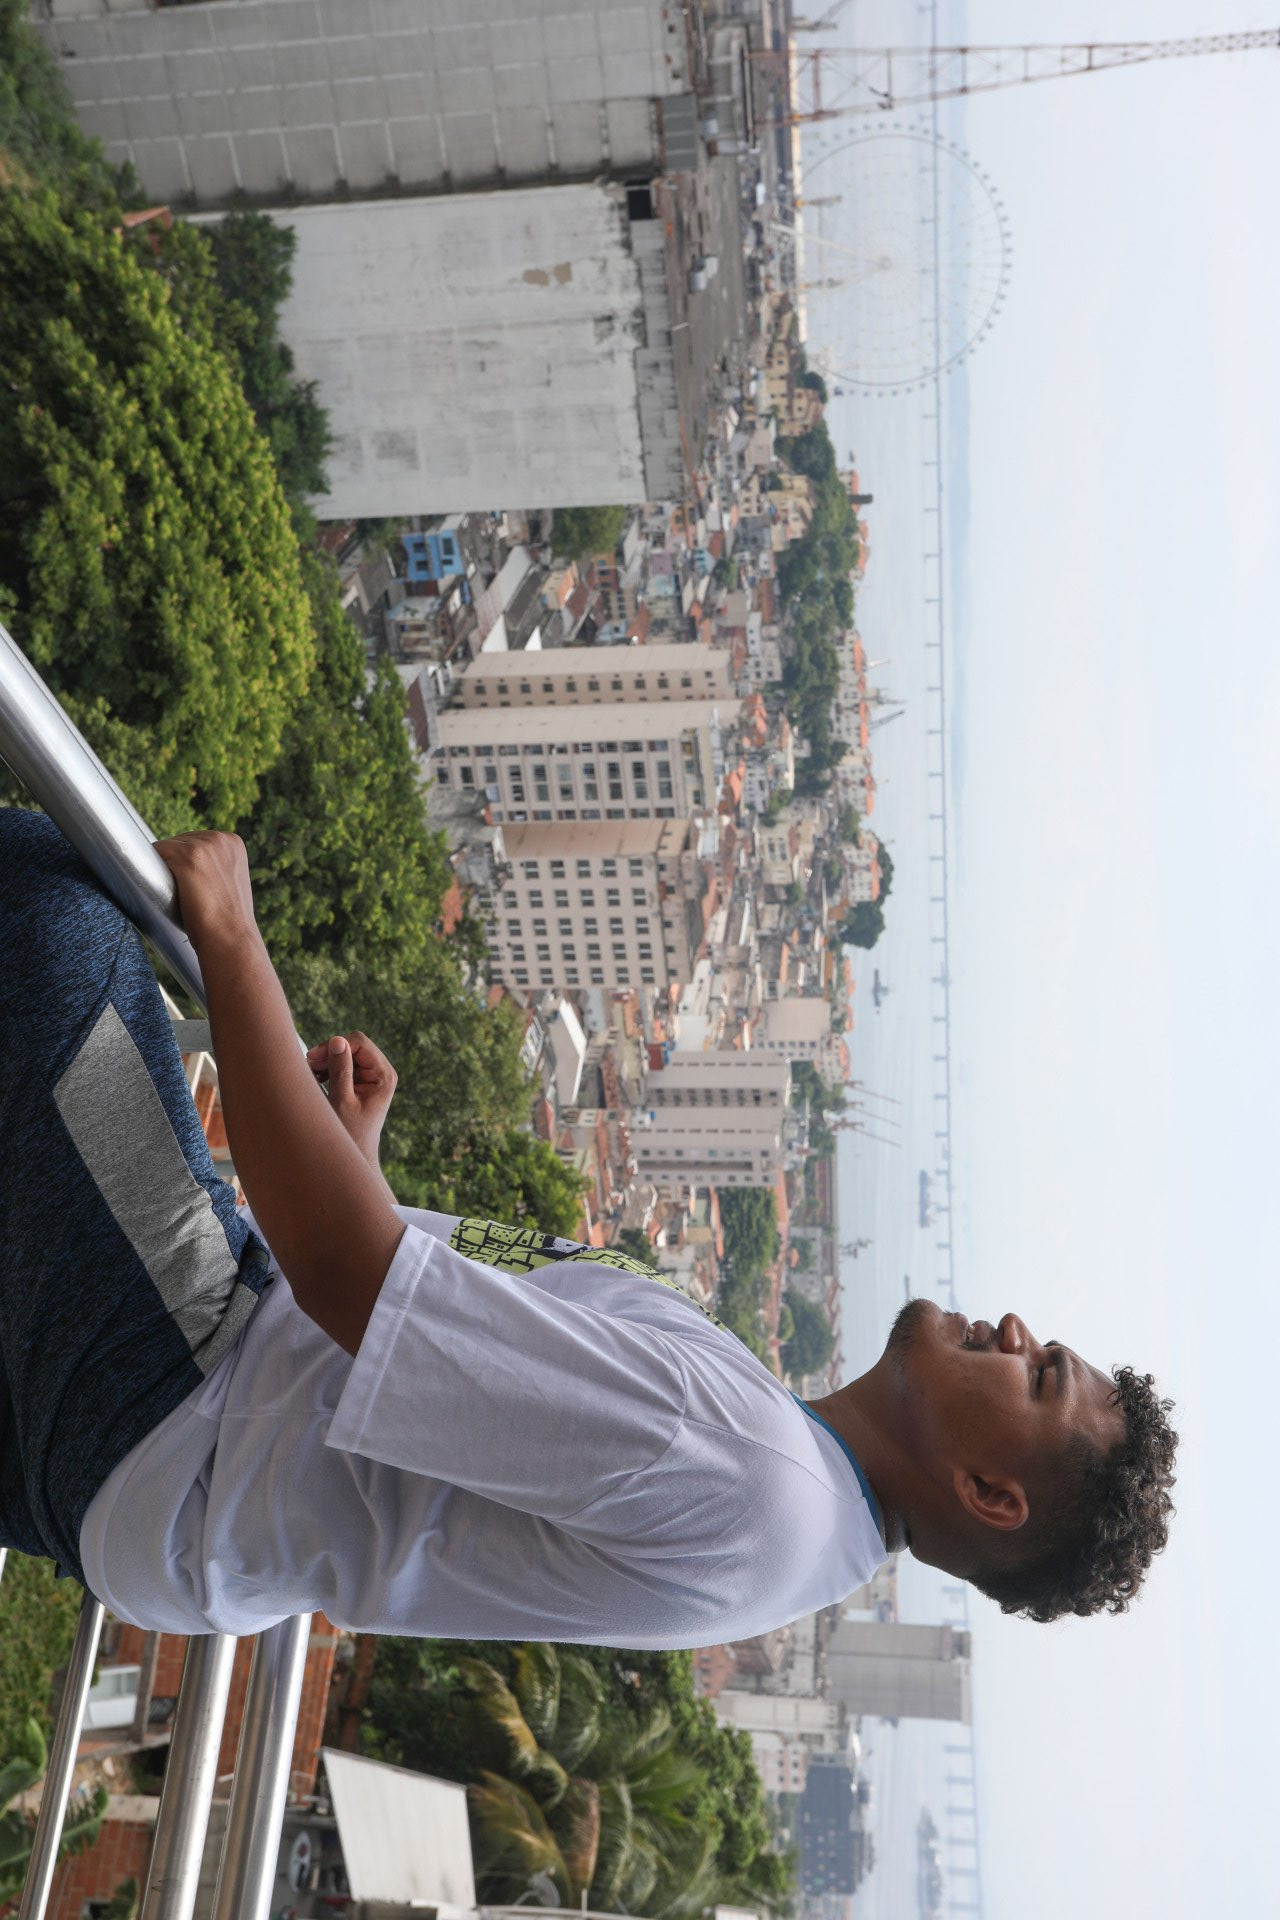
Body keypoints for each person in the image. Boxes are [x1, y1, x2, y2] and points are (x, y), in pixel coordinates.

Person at [0, 811, 1178, 1641]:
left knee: (55, 904)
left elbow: (347, 1275)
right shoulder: (786, 1495)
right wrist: (354, 1166)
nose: (1019, 1329)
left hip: (173, 1397)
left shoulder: (750, 1471)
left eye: (1042, 1375)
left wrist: (234, 940)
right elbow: (405, 1413)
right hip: (177, 1462)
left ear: (986, 1494)